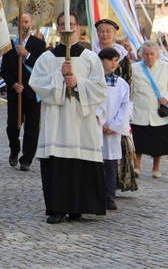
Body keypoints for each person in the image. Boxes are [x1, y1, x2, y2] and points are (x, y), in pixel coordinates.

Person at [29, 12, 108, 224]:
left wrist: (78, 83)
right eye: (62, 24)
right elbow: (36, 83)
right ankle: (57, 208)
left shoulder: (90, 58)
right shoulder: (46, 58)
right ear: (57, 27)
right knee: (57, 164)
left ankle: (78, 207)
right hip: (56, 119)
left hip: (81, 120)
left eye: (71, 25)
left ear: (78, 28)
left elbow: (101, 89)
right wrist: (59, 77)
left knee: (80, 161)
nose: (67, 29)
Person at [0, 13, 46, 171]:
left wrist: (27, 54)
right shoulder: (9, 44)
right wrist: (13, 84)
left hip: (33, 92)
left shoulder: (39, 44)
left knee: (32, 128)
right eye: (21, 22)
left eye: (26, 21)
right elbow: (4, 70)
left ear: (31, 24)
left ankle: (26, 159)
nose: (23, 24)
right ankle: (14, 149)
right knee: (12, 125)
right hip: (16, 92)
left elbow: (42, 66)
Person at [130, 40, 168, 179]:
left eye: (152, 54)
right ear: (141, 55)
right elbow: (130, 89)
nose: (149, 57)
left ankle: (156, 168)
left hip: (158, 111)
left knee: (159, 144)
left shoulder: (166, 67)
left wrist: (167, 98)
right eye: (146, 54)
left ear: (157, 54)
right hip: (139, 110)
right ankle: (137, 167)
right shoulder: (134, 68)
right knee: (137, 143)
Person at [96, 47, 133, 211]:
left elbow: (126, 107)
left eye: (116, 60)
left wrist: (115, 125)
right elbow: (91, 102)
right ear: (101, 61)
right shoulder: (94, 81)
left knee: (111, 163)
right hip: (96, 127)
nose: (113, 63)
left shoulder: (122, 84)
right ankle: (95, 194)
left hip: (112, 129)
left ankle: (109, 196)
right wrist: (99, 120)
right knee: (95, 162)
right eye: (110, 59)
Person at [92, 18, 132, 84]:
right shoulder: (91, 50)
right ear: (97, 33)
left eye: (108, 31)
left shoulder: (121, 52)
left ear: (114, 33)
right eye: (101, 31)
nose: (104, 34)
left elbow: (127, 76)